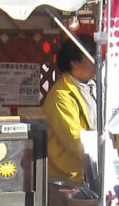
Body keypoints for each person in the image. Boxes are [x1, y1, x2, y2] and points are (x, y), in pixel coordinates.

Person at [42, 34, 99, 183]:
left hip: (95, 169)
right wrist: (104, 152)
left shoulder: (97, 87)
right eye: (92, 57)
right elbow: (75, 140)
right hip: (68, 177)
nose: (97, 61)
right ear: (74, 62)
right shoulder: (61, 95)